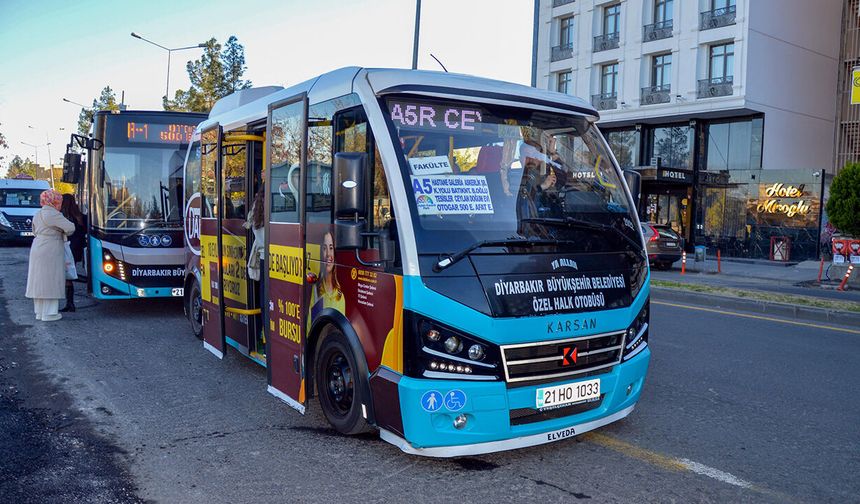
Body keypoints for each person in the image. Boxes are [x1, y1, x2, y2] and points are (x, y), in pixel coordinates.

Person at [25, 189, 75, 322]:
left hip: (37, 246)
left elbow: (34, 231)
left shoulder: (38, 214)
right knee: (51, 280)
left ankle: (39, 312)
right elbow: (71, 228)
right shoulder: (54, 214)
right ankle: (49, 313)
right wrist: (60, 230)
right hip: (51, 247)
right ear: (55, 201)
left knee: (39, 280)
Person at [60, 194, 86, 312]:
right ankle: (70, 303)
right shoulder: (80, 216)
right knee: (69, 274)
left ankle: (69, 303)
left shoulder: (63, 216)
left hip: (66, 247)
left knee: (65, 276)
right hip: (77, 248)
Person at [310, 230, 345, 318]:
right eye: (324, 248)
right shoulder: (316, 289)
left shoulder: (340, 296)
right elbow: (311, 324)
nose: (328, 254)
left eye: (331, 248)